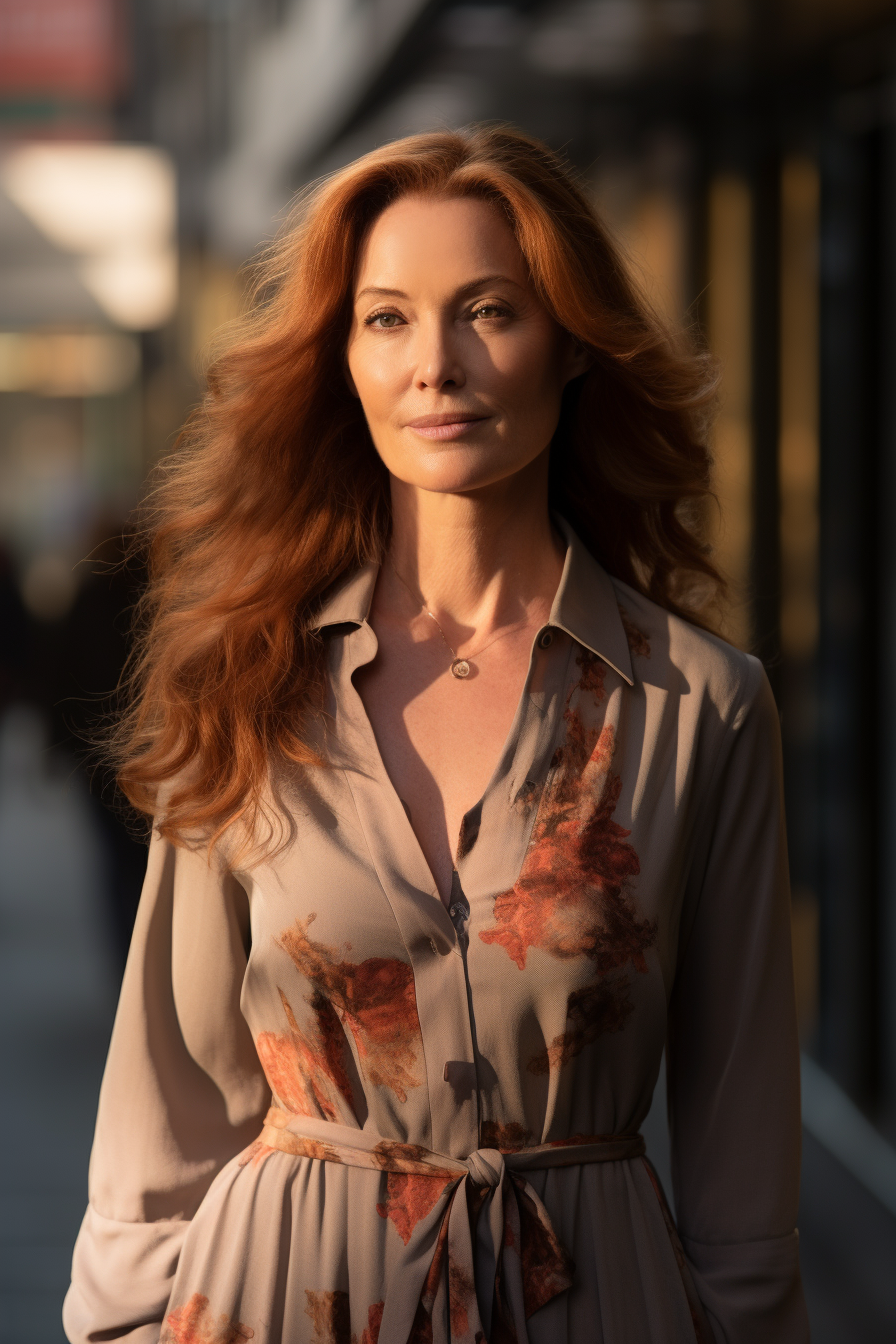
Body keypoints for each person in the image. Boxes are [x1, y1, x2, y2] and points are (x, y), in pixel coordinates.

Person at [64, 126, 808, 1344]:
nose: (436, 367)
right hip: (276, 1305)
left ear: (570, 344)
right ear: (341, 359)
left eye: (487, 311)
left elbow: (741, 1169)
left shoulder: (700, 706)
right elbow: (169, 1093)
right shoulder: (248, 677)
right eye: (388, 319)